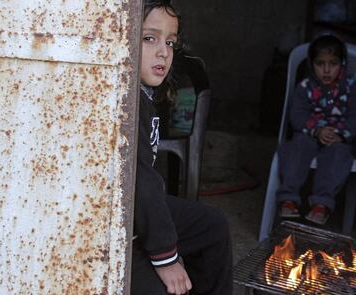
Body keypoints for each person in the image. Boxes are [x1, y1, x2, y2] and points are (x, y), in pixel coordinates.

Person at [131, 1, 233, 294]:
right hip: (121, 222)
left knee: (213, 226)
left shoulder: (143, 93)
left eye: (170, 42)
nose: (163, 51)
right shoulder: (124, 100)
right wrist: (166, 257)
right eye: (149, 38)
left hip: (142, 209)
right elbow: (139, 179)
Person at [276, 34, 356, 225]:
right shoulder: (305, 87)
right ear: (311, 64)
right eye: (320, 63)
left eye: (333, 64)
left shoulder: (352, 87)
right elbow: (297, 116)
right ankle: (289, 198)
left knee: (338, 155)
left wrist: (340, 134)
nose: (326, 70)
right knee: (295, 147)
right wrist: (316, 130)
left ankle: (321, 204)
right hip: (309, 134)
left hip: (338, 138)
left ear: (342, 63)